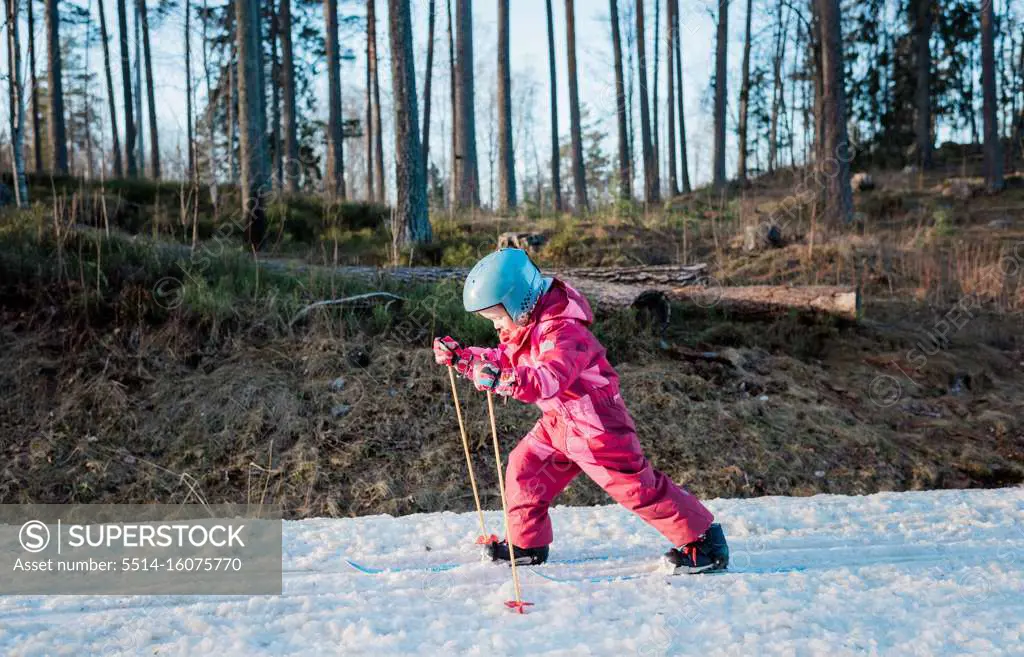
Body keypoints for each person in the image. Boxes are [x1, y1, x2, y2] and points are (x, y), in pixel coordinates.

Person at [432, 248, 728, 574]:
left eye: (497, 316)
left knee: (634, 486)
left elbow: (549, 378)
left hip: (597, 424)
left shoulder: (564, 332)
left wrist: (504, 380)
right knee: (525, 466)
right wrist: (463, 359)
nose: (496, 326)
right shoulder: (526, 325)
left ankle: (704, 541)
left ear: (519, 299)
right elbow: (505, 358)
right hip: (559, 422)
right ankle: (526, 543)